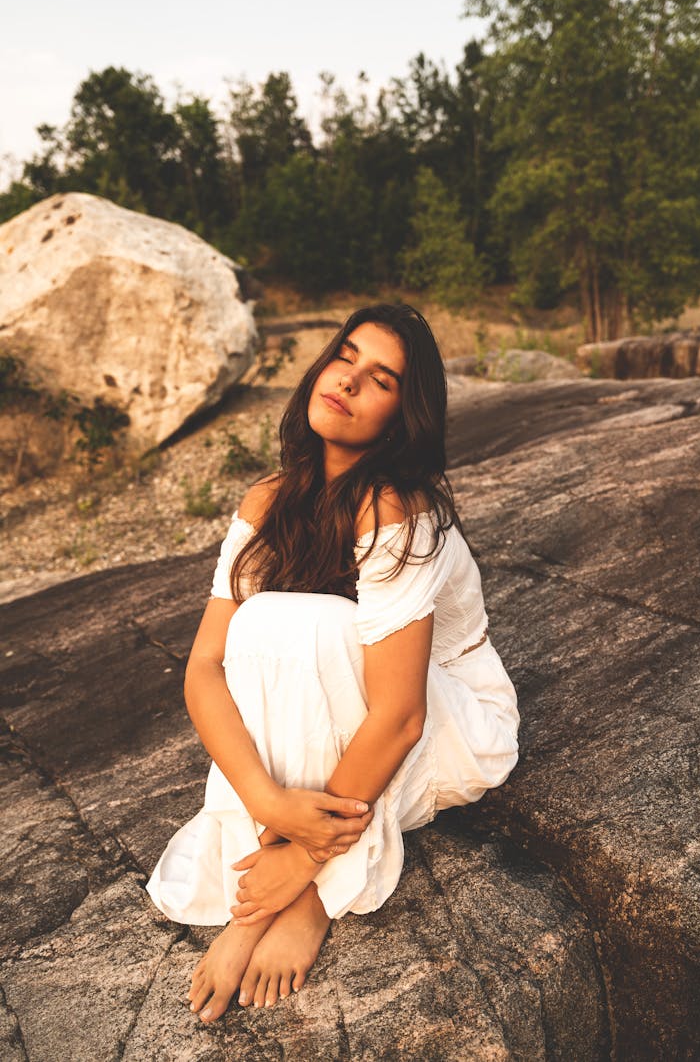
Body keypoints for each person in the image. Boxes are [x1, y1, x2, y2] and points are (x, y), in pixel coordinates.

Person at [146, 303, 520, 1022]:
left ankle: (293, 902)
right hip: (355, 728)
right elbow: (204, 670)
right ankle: (285, 858)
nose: (347, 380)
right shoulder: (268, 500)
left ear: (401, 416)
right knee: (262, 626)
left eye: (379, 379)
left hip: (448, 724)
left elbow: (402, 715)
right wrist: (269, 803)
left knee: (311, 626)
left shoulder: (399, 509)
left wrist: (298, 864)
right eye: (345, 356)